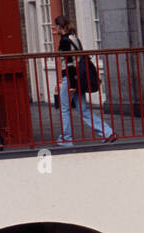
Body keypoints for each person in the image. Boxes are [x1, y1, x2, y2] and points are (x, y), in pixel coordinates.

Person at [55, 15, 114, 147]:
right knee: (83, 109)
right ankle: (107, 132)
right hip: (78, 78)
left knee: (64, 109)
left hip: (70, 78)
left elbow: (69, 63)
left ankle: (66, 138)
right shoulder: (75, 38)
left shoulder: (64, 41)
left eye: (56, 26)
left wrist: (71, 83)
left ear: (59, 27)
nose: (55, 29)